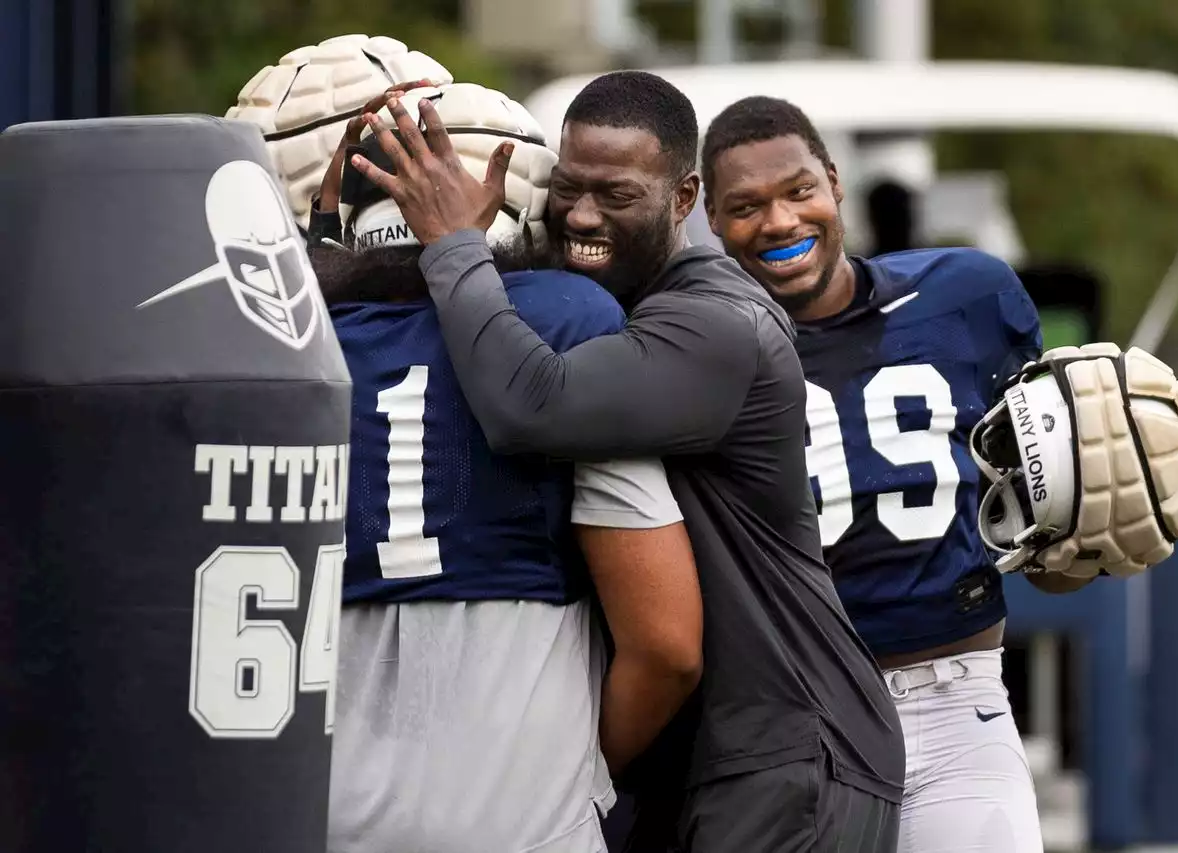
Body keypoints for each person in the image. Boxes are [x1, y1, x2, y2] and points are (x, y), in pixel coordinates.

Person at [350, 71, 905, 852]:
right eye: (568, 188)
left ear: (683, 200)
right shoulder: (626, 306)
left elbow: (529, 405)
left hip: (790, 754)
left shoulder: (716, 321)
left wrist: (453, 247)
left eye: (616, 195)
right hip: (721, 756)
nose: (581, 214)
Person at [316, 80, 704, 853]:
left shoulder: (290, 343)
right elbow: (668, 646)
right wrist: (579, 774)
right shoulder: (568, 317)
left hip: (324, 814)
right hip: (522, 815)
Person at [699, 95, 1080, 853]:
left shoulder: (969, 296)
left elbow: (1050, 560)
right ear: (710, 218)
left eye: (798, 190)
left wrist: (1085, 534)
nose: (779, 222)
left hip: (953, 705)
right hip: (790, 728)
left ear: (834, 183)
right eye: (746, 206)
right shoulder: (694, 345)